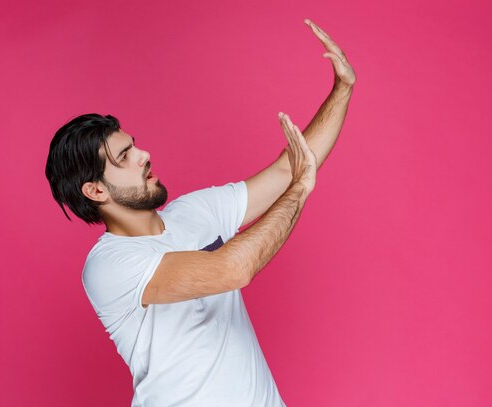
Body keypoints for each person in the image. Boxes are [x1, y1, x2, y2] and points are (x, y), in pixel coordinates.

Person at [45, 19, 355, 407]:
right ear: (95, 190)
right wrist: (300, 190)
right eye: (125, 157)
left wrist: (343, 89)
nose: (144, 155)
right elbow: (232, 270)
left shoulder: (194, 210)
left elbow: (286, 169)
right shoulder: (109, 265)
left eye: (134, 145)